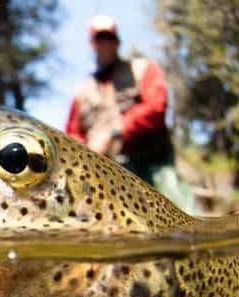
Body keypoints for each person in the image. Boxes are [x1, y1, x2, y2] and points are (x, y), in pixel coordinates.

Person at [65, 15, 173, 186]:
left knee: (179, 209)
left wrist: (116, 131)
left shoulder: (143, 69)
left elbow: (156, 107)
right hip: (104, 179)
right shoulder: (81, 92)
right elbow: (73, 135)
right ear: (92, 44)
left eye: (109, 37)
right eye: (100, 38)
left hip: (152, 168)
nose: (105, 43)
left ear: (117, 41)